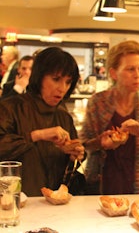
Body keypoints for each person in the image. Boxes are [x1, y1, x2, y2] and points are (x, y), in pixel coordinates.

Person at [80, 40, 139, 195]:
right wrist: (102, 142)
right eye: (130, 69)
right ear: (114, 73)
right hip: (105, 181)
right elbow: (84, 144)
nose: (137, 75)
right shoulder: (98, 102)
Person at [0, 47, 84, 196]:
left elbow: (68, 170)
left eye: (68, 82)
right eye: (56, 79)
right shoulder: (10, 108)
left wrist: (74, 155)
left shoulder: (64, 117)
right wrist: (36, 135)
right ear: (39, 77)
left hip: (55, 203)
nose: (62, 88)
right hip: (14, 203)